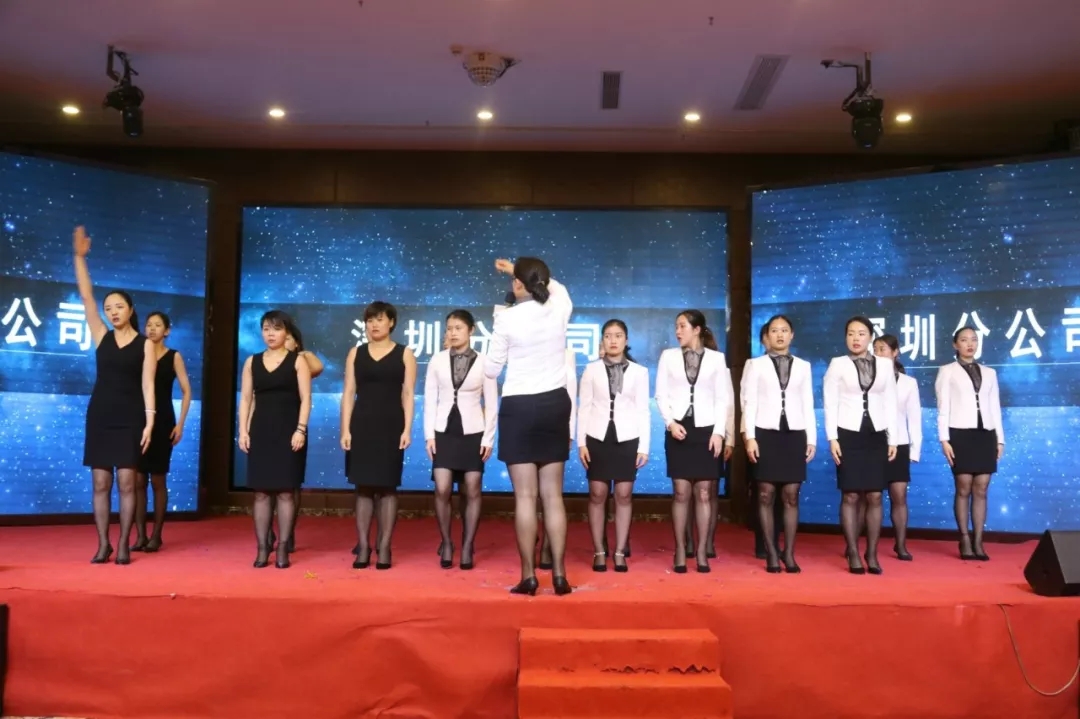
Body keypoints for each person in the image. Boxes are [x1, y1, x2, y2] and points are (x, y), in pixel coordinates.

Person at [485, 257, 574, 596]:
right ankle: (560, 575)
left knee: (525, 496)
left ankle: (529, 576)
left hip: (519, 405)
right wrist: (518, 270)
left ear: (518, 284)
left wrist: (515, 275)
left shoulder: (506, 318)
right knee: (553, 495)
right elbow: (557, 286)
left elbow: (492, 370)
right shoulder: (559, 306)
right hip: (555, 403)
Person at [72, 226, 157, 566]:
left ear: (131, 309)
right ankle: (103, 544)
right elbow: (86, 297)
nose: (112, 312)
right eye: (109, 308)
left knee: (127, 482)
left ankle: (123, 543)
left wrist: (149, 422)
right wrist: (80, 258)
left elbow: (149, 385)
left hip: (131, 417)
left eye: (119, 306)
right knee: (100, 483)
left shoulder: (146, 344)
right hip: (101, 415)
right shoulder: (101, 335)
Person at [655, 309, 733, 574]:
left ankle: (701, 551)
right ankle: (680, 549)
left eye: (683, 326)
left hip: (706, 430)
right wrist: (670, 422)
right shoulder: (668, 356)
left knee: (703, 492)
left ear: (697, 329)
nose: (678, 331)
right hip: (679, 428)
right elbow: (661, 394)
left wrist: (719, 432)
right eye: (676, 326)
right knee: (681, 492)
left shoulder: (716, 359)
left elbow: (722, 398)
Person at [341, 301, 416, 570]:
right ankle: (363, 546)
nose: (374, 324)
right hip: (361, 425)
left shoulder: (405, 354)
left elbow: (408, 394)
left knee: (387, 487)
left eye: (380, 319)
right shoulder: (356, 353)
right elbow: (349, 392)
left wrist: (407, 429)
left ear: (391, 322)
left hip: (391, 426)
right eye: (370, 320)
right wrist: (345, 429)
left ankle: (384, 546)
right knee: (362, 487)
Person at [824, 316, 898, 575]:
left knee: (875, 495)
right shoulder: (838, 364)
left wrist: (893, 438)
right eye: (851, 333)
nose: (856, 338)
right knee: (851, 495)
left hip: (876, 434)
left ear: (870, 337)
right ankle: (853, 551)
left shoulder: (885, 365)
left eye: (861, 333)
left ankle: (872, 553)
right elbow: (830, 403)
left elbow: (890, 401)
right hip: (848, 434)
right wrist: (832, 438)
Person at [237, 310, 311, 569]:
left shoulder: (298, 361)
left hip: (289, 432)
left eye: (276, 329)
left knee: (286, 493)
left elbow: (306, 399)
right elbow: (246, 399)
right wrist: (243, 431)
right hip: (261, 431)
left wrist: (300, 429)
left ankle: (283, 548)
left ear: (286, 332)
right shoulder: (252, 362)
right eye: (266, 329)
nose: (270, 334)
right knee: (260, 493)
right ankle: (262, 548)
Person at [424, 309, 497, 570]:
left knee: (473, 487)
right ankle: (447, 542)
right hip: (444, 430)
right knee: (442, 487)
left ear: (471, 330)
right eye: (449, 328)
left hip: (473, 431)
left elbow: (491, 403)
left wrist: (488, 438)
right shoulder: (437, 360)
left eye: (458, 328)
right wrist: (429, 435)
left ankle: (467, 545)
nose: (453, 333)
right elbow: (430, 399)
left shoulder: (485, 362)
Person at [742, 315, 816, 573]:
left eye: (784, 330)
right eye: (774, 330)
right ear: (767, 335)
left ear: (792, 335)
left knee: (791, 495)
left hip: (794, 434)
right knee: (765, 493)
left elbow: (807, 402)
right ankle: (771, 552)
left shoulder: (804, 366)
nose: (780, 335)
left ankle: (789, 552)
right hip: (765, 433)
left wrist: (811, 438)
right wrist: (750, 437)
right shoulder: (755, 365)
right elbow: (749, 402)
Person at [577, 320, 650, 573]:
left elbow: (643, 410)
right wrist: (581, 442)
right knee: (597, 494)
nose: (613, 340)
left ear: (626, 340)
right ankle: (599, 551)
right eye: (608, 336)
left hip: (627, 437)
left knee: (624, 494)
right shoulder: (591, 369)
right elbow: (584, 407)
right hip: (597, 436)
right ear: (602, 341)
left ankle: (619, 551)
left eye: (618, 336)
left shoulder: (639, 372)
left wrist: (644, 447)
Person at [935, 327, 1004, 561]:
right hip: (960, 434)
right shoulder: (947, 371)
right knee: (964, 486)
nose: (970, 344)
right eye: (964, 340)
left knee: (982, 487)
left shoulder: (990, 373)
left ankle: (978, 540)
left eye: (974, 340)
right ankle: (964, 538)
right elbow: (943, 407)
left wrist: (1000, 439)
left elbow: (995, 407)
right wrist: (944, 439)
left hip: (985, 434)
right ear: (955, 345)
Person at [132, 312, 192, 553]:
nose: (152, 328)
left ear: (167, 331)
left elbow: (187, 391)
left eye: (158, 325)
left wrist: (181, 424)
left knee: (158, 479)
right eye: (149, 325)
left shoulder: (173, 356)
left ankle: (156, 535)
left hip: (164, 420)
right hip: (138, 419)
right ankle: (140, 536)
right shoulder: (139, 353)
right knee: (137, 481)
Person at [268, 322, 324, 554]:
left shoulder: (301, 362)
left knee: (291, 483)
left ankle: (288, 532)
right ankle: (268, 531)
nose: (283, 340)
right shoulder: (265, 361)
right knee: (267, 482)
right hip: (267, 425)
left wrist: (300, 354)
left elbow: (318, 367)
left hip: (293, 427)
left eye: (289, 338)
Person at [873, 333, 921, 561]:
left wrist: (915, 450)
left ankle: (900, 545)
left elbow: (914, 418)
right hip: (872, 443)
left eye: (882, 349)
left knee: (899, 495)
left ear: (895, 352)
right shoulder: (867, 378)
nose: (878, 353)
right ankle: (859, 545)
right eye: (875, 349)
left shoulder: (908, 383)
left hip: (899, 442)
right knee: (869, 496)